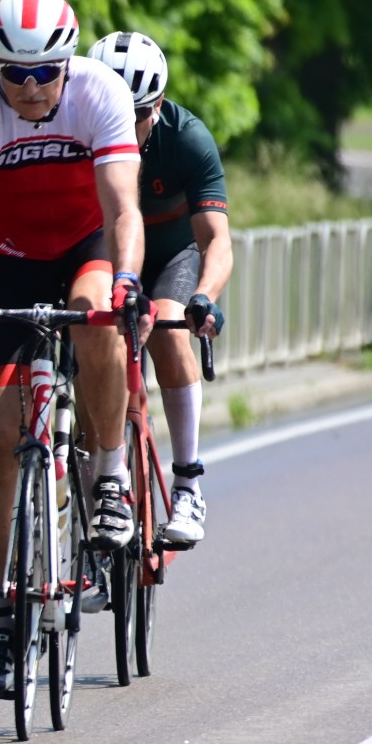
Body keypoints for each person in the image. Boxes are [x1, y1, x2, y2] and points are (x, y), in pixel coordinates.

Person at [0, 0, 145, 700]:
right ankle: (0, 614)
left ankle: (110, 475)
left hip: (85, 247)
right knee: (0, 436)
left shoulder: (99, 92)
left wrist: (129, 279)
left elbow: (122, 207)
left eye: (46, 71)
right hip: (9, 258)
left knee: (96, 312)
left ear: (67, 64)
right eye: (16, 73)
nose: (32, 86)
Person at [85, 30, 229, 547]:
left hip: (170, 257)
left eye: (139, 114)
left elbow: (216, 240)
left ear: (160, 105)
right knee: (90, 351)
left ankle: (188, 484)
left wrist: (205, 296)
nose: (125, 126)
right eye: (113, 113)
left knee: (169, 331)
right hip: (105, 257)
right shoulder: (76, 134)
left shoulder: (187, 139)